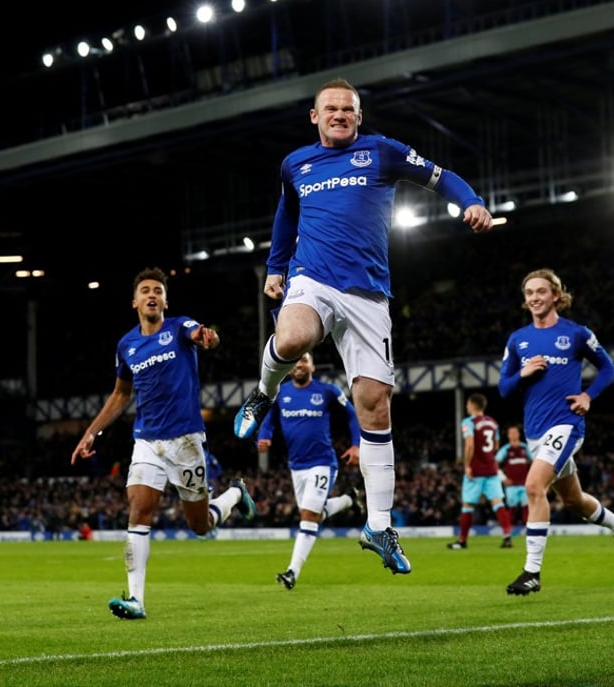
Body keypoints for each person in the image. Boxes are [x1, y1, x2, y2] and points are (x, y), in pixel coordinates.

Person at [232, 77, 494, 575]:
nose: (338, 115)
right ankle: (264, 390)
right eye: (329, 108)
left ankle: (377, 525)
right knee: (290, 338)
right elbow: (287, 216)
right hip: (312, 280)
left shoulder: (383, 152)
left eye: (347, 109)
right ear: (315, 116)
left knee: (374, 406)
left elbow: (442, 177)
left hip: (369, 294)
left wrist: (473, 201)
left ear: (358, 115)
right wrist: (275, 266)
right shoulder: (296, 164)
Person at [71, 266, 256, 620]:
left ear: (165, 301)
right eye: (145, 290)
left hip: (185, 441)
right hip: (147, 441)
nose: (152, 294)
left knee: (200, 526)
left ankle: (234, 495)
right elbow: (121, 394)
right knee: (138, 510)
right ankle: (136, 600)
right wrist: (91, 431)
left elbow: (201, 335)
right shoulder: (127, 345)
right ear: (135, 301)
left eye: (158, 290)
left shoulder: (180, 327)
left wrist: (208, 337)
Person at [497, 268, 614, 596]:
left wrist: (588, 396)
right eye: (529, 293)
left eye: (540, 292)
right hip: (535, 432)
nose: (534, 298)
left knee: (533, 486)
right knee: (574, 499)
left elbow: (608, 367)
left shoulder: (576, 334)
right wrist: (524, 373)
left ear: (556, 295)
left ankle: (531, 572)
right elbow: (504, 389)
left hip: (567, 425)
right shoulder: (518, 340)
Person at [255, 352, 363, 590]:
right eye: (295, 361)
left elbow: (352, 415)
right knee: (313, 514)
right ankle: (349, 499)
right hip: (296, 467)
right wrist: (263, 437)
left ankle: (292, 571)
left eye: (304, 360)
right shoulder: (281, 393)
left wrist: (356, 444)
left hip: (322, 463)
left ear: (313, 365)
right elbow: (269, 420)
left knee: (307, 515)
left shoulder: (328, 391)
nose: (299, 364)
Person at [446, 393, 514, 550]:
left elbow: (469, 444)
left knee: (468, 505)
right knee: (498, 502)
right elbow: (496, 445)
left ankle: (462, 541)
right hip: (491, 468)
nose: (466, 406)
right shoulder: (492, 422)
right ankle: (507, 537)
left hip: (476, 470)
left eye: (468, 404)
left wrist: (467, 465)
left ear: (472, 405)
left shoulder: (469, 422)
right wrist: (487, 457)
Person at [496, 423, 532, 531]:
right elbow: (494, 464)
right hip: (511, 484)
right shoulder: (505, 449)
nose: (513, 435)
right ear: (508, 435)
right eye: (511, 433)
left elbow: (535, 462)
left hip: (525, 483)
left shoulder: (525, 448)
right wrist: (503, 478)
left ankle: (529, 530)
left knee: (527, 507)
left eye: (515, 432)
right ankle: (508, 531)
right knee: (512, 508)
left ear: (519, 434)